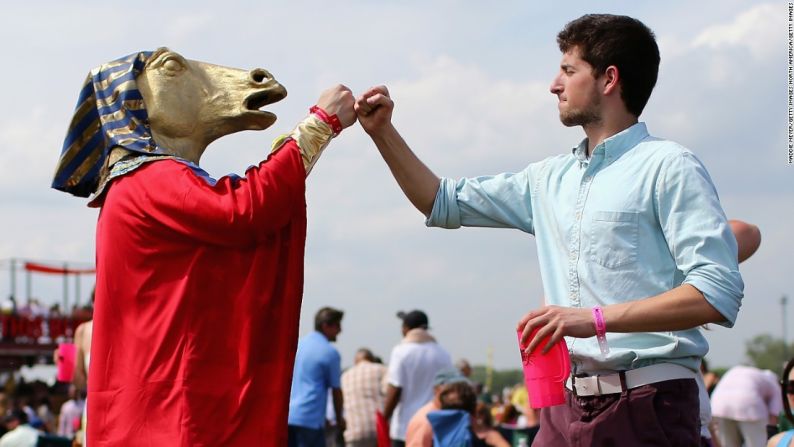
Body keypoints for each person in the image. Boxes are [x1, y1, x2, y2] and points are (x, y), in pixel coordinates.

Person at [356, 14, 743, 446]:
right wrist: (383, 132)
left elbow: (716, 293)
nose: (553, 84)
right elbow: (440, 200)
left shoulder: (669, 165)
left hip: (648, 403)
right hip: (564, 408)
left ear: (609, 79)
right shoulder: (547, 179)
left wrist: (592, 320)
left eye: (568, 70)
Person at [51, 49, 356, 446]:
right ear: (136, 101)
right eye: (172, 70)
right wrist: (320, 124)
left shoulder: (129, 189)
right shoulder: (150, 178)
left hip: (150, 415)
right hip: (172, 419)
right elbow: (242, 211)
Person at [384, 310, 452, 446]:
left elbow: (396, 389)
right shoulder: (443, 353)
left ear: (406, 329)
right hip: (434, 426)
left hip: (405, 427)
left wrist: (384, 417)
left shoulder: (401, 351)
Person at [288, 307, 346, 447]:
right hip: (310, 420)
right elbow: (336, 391)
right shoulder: (329, 352)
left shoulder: (298, 345)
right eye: (337, 325)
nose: (340, 330)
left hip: (289, 416)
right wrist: (339, 420)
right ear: (326, 326)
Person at [709, 365, 782, 447]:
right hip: (749, 405)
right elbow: (774, 417)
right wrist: (772, 439)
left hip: (718, 405)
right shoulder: (774, 385)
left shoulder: (753, 374)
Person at [405, 367, 469, 446]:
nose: (457, 394)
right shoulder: (424, 421)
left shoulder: (458, 416)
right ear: (436, 389)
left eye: (461, 388)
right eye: (452, 389)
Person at [341, 348, 387, 447]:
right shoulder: (382, 369)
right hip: (379, 430)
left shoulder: (345, 376)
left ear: (355, 361)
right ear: (372, 359)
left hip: (354, 432)